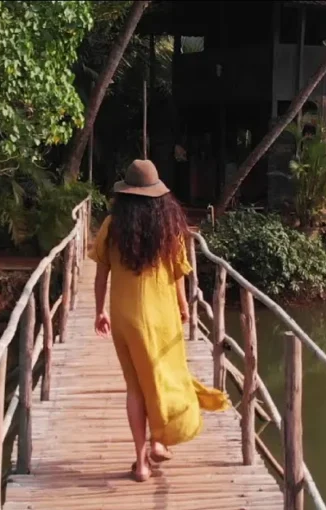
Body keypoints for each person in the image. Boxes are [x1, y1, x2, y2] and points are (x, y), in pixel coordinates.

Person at [90, 159, 229, 483]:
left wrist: (100, 311)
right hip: (160, 316)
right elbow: (178, 273)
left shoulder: (112, 225)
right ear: (158, 194)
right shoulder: (169, 226)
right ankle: (158, 442)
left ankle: (141, 462)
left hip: (124, 317)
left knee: (136, 387)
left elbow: (100, 274)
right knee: (161, 376)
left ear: (125, 193)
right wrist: (183, 305)